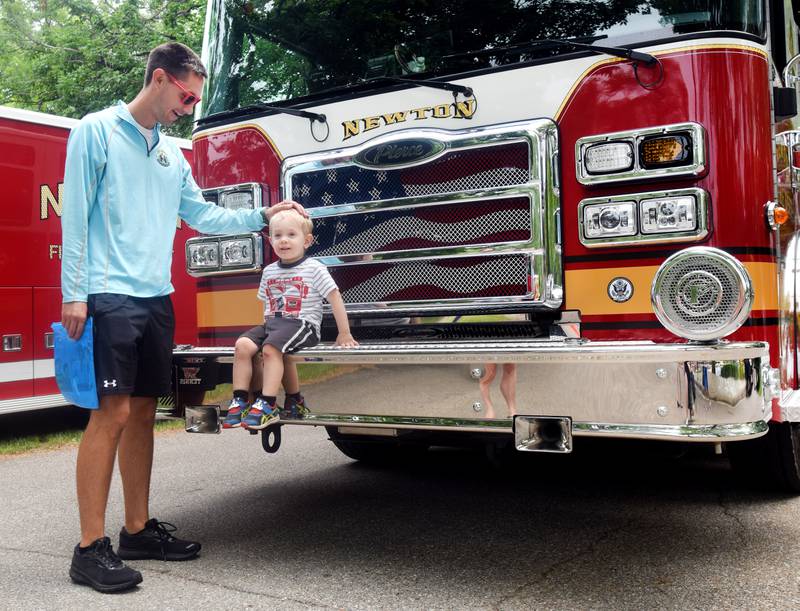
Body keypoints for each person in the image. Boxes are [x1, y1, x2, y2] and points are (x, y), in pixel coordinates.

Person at [60, 42, 305, 593]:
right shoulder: (95, 131)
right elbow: (75, 216)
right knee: (112, 413)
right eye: (186, 95)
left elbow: (201, 214)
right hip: (107, 294)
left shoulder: (173, 153)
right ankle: (88, 548)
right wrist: (72, 294)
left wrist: (266, 214)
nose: (189, 108)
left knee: (145, 411)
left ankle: (137, 530)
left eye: (195, 99)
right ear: (160, 79)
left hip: (156, 297)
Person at [223, 208, 358, 430]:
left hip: (303, 324)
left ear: (306, 241)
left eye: (291, 235)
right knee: (243, 345)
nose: (283, 241)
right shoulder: (269, 271)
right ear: (271, 240)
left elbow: (334, 297)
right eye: (277, 235)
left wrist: (344, 333)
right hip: (274, 324)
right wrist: (263, 333)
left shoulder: (314, 268)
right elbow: (266, 305)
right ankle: (240, 400)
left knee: (271, 349)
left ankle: (268, 404)